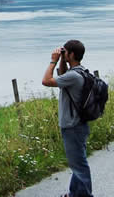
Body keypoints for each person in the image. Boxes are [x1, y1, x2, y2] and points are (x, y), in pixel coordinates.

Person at [42, 40, 93, 197]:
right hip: (79, 125)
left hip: (72, 126)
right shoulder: (81, 72)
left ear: (71, 54)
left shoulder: (74, 76)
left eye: (66, 53)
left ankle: (85, 194)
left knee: (79, 164)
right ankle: (74, 193)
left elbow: (46, 81)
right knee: (76, 162)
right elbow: (63, 77)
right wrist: (63, 61)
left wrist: (53, 61)